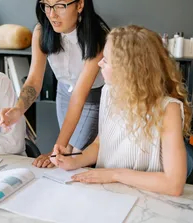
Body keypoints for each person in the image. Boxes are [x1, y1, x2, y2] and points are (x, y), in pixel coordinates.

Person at [50, 25, 193, 196]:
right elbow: (101, 143)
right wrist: (74, 160)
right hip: (110, 193)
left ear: (129, 70)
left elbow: (173, 185)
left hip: (148, 198)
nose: (99, 63)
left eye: (107, 60)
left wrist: (115, 174)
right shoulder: (109, 91)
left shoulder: (168, 109)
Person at [0, 0, 109, 168]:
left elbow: (79, 96)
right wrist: (17, 110)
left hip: (93, 97)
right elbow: (34, 80)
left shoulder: (98, 36)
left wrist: (55, 151)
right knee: (65, 155)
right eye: (47, 5)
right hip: (64, 93)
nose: (51, 14)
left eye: (60, 6)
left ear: (80, 5)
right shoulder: (42, 30)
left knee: (74, 156)